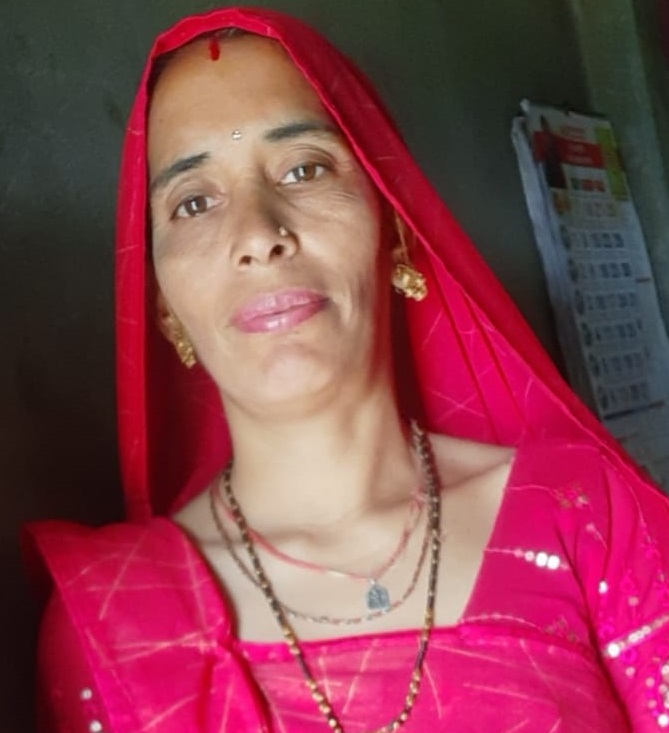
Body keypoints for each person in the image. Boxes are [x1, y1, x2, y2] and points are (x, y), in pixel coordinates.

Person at [24, 6, 669, 732]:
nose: (258, 235)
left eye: (304, 169)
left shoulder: (587, 519)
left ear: (393, 229)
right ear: (164, 306)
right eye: (194, 202)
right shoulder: (112, 626)